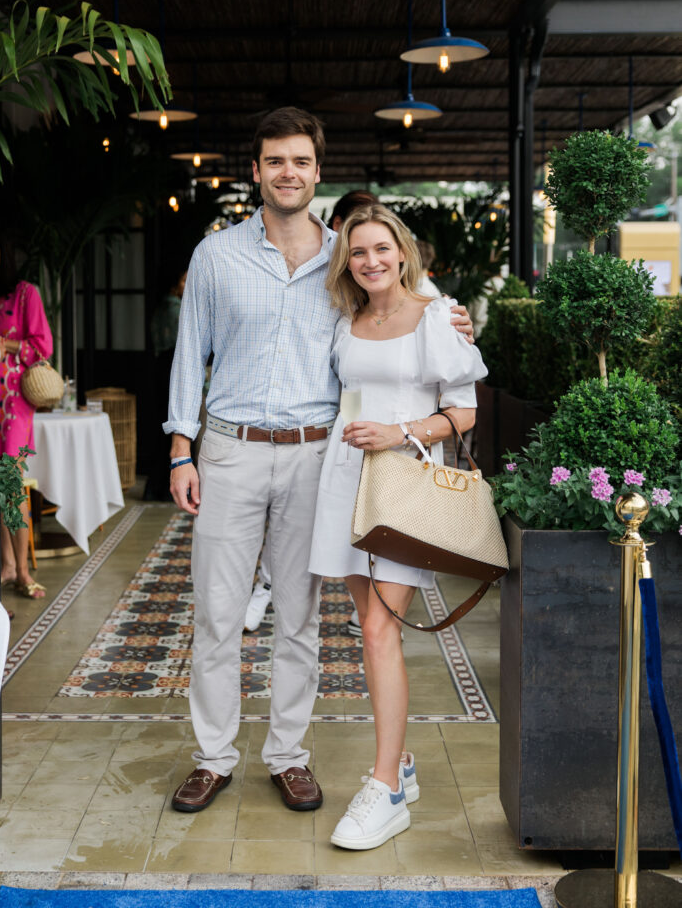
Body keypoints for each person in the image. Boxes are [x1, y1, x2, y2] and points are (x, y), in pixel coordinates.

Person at [164, 107, 474, 815]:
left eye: (300, 161)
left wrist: (448, 313)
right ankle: (213, 757)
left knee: (299, 617)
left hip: (315, 458)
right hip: (230, 451)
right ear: (255, 171)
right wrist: (181, 450)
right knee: (217, 614)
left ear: (316, 171)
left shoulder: (344, 257)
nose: (287, 173)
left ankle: (287, 756)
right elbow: (190, 356)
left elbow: (396, 300)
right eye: (275, 161)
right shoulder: (216, 255)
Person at [308, 203, 487, 850]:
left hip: (403, 484)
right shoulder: (347, 318)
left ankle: (384, 788)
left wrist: (399, 432)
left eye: (382, 248)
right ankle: (400, 764)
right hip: (345, 479)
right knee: (368, 626)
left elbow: (462, 412)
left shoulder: (436, 315)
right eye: (358, 252)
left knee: (382, 626)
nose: (371, 260)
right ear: (346, 261)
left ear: (403, 252)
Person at [243, 188, 377, 637]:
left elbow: (420, 301)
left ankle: (367, 598)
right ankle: (264, 587)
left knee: (349, 521)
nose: (365, 255)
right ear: (335, 229)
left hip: (362, 425)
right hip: (313, 426)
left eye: (377, 244)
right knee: (293, 531)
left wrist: (448, 317)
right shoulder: (323, 269)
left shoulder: (369, 282)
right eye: (353, 240)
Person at [0, 236, 52, 599]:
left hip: (15, 404)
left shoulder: (25, 295)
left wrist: (7, 344)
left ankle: (21, 568)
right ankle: (7, 565)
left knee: (10, 484)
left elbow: (43, 346)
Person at [143, 263, 188, 501]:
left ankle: (155, 486)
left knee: (162, 424)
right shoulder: (176, 310)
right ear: (174, 284)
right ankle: (164, 487)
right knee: (171, 425)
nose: (187, 285)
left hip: (161, 367)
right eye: (183, 281)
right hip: (172, 366)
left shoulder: (161, 307)